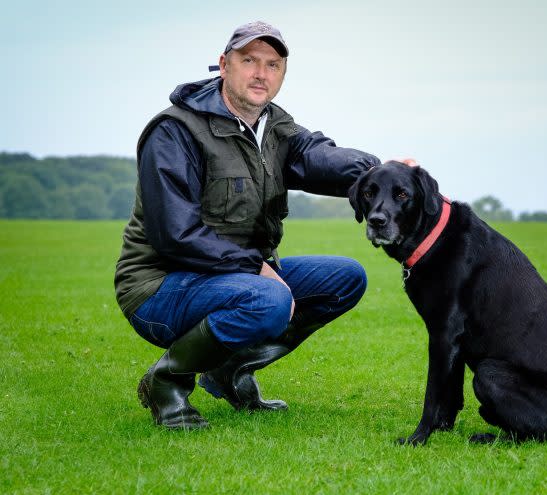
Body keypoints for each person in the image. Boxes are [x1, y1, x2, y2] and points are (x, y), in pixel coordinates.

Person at [114, 21, 384, 429]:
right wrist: (256, 269)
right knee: (268, 300)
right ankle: (167, 380)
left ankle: (228, 371)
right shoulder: (174, 131)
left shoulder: (274, 127)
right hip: (160, 286)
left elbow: (320, 159)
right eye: (249, 61)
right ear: (224, 65)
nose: (261, 73)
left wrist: (385, 172)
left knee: (345, 277)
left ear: (282, 74)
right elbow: (175, 235)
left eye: (273, 64)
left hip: (234, 279)